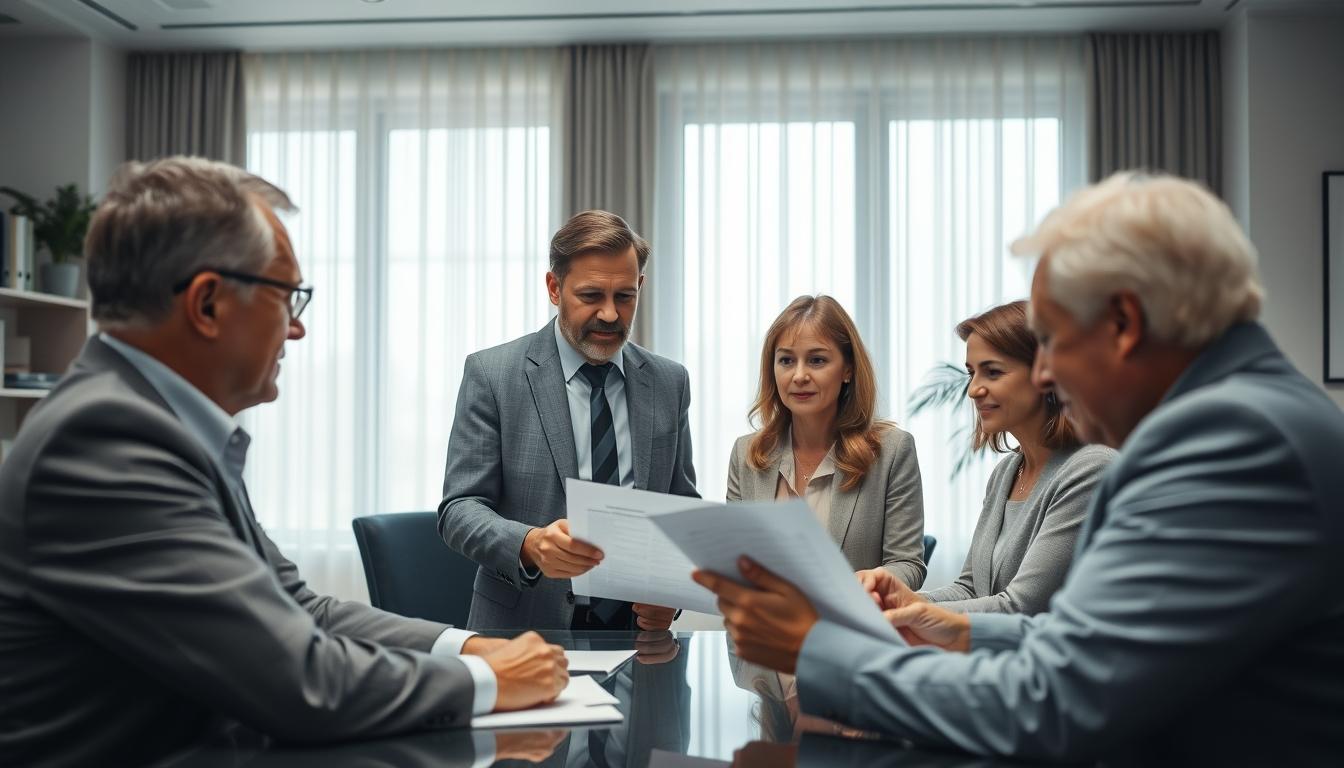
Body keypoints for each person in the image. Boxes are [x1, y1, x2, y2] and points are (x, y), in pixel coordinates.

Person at [692, 172, 1344, 762]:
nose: (1045, 373)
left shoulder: (1228, 441)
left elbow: (1058, 700)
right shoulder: (1250, 416)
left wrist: (820, 652)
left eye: (1052, 340)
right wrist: (955, 630)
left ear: (1123, 322)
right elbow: (1091, 647)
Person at [0, 158, 568, 767]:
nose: (296, 329)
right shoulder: (106, 439)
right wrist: (487, 681)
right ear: (207, 303)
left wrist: (468, 648)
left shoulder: (160, 426)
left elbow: (300, 608)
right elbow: (300, 680)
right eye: (285, 296)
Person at [439, 210, 697, 631]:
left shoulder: (670, 382)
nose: (610, 314)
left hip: (638, 639)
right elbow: (459, 510)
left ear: (640, 287)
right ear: (554, 288)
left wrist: (672, 591)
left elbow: (681, 509)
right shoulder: (492, 375)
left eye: (624, 296)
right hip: (523, 632)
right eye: (591, 295)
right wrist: (530, 543)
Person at [872, 300, 1113, 615]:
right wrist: (896, 601)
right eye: (972, 373)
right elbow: (970, 587)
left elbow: (1020, 606)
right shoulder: (1006, 473)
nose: (973, 390)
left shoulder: (1090, 469)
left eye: (992, 372)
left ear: (1045, 374)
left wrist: (908, 613)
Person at [728, 295, 925, 587]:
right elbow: (735, 558)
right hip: (766, 616)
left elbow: (908, 564)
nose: (799, 375)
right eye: (786, 360)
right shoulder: (746, 453)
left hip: (853, 615)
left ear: (848, 369)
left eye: (817, 360)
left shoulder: (892, 451)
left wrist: (865, 584)